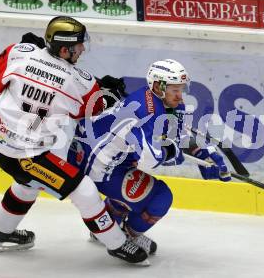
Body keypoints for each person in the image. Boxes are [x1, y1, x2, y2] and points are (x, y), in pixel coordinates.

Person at [0, 16, 148, 265]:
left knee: (27, 185)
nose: (82, 49)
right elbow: (92, 108)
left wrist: (31, 57)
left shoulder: (19, 52)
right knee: (85, 191)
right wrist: (107, 90)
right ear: (64, 49)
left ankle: (0, 233)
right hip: (28, 157)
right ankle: (116, 244)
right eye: (79, 45)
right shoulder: (78, 79)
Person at [67, 59, 231, 256]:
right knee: (161, 197)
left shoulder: (166, 102)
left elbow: (178, 137)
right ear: (158, 87)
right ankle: (121, 237)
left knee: (137, 188)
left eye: (181, 89)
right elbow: (150, 160)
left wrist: (205, 154)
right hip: (98, 166)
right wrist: (178, 155)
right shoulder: (143, 110)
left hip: (115, 158)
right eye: (175, 90)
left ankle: (107, 225)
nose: (180, 97)